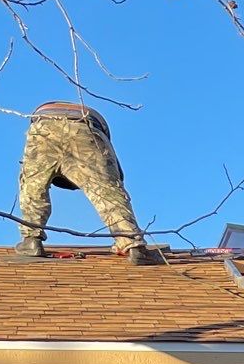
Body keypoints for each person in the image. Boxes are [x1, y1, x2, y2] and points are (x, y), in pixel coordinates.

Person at [15, 101, 158, 262]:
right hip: (85, 126)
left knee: (33, 186)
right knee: (107, 191)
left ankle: (31, 240)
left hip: (43, 126)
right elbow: (112, 188)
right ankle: (133, 245)